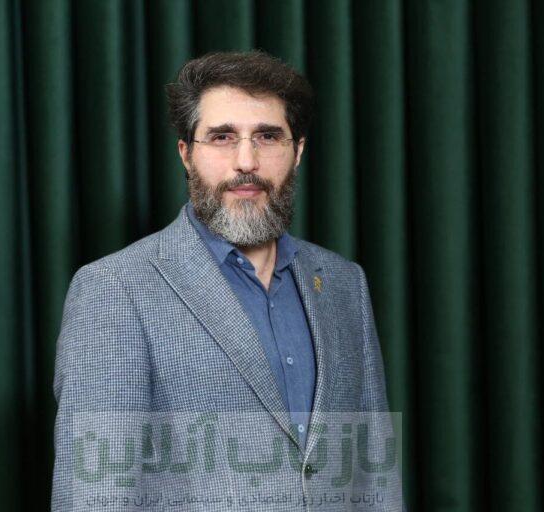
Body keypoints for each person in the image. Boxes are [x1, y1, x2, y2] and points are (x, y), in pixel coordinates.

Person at [51, 51, 405, 511]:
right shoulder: (114, 289)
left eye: (267, 136)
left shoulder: (343, 284)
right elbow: (96, 497)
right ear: (186, 154)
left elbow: (374, 476)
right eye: (222, 137)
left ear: (297, 151)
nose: (246, 161)